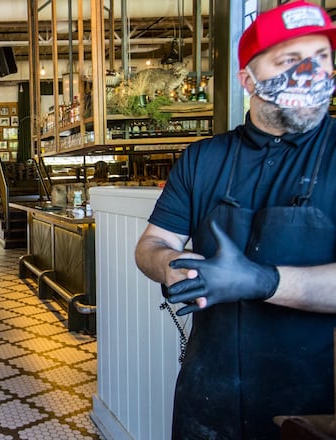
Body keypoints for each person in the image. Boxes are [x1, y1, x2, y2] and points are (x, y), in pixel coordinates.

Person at [134, 2, 336, 438]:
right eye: (288, 60)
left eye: (321, 58)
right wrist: (172, 266)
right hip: (208, 394)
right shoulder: (203, 158)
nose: (309, 71)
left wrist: (263, 282)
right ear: (248, 78)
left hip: (315, 408)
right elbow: (149, 245)